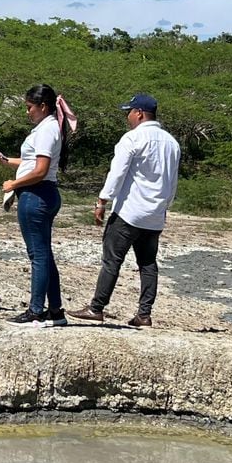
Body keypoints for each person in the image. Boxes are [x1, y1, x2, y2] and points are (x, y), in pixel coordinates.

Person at [70, 93, 181, 328]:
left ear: (139, 113)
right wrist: (165, 207)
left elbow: (117, 173)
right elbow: (172, 181)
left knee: (112, 259)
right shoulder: (172, 142)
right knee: (148, 263)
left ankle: (96, 307)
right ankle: (144, 314)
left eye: (129, 112)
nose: (128, 117)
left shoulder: (132, 139)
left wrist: (103, 200)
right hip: (154, 215)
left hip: (130, 211)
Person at [0, 84, 77, 327]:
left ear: (43, 106)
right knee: (45, 254)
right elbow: (32, 161)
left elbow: (40, 171)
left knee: (37, 255)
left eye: (29, 107)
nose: (27, 112)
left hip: (36, 194)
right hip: (42, 194)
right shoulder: (46, 128)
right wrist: (8, 161)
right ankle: (56, 310)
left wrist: (13, 184)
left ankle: (36, 311)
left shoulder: (47, 130)